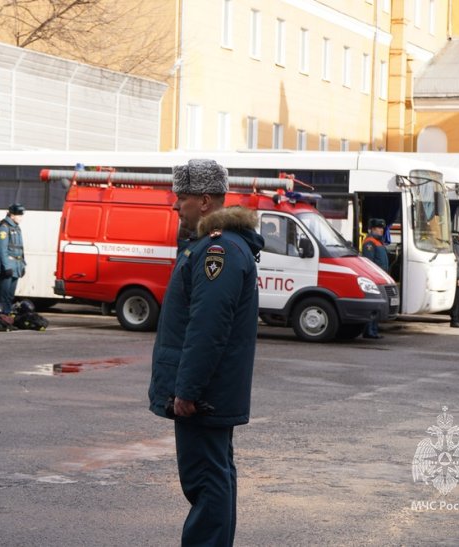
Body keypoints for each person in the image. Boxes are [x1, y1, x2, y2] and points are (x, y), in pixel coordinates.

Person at [148, 159, 264, 547]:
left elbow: (208, 327)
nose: (175, 206)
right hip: (210, 393)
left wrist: (188, 390)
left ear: (203, 200)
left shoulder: (219, 250)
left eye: (180, 198)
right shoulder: (216, 246)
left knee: (206, 481)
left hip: (204, 396)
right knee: (214, 477)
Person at [361, 218, 389, 339]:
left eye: (382, 228)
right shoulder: (370, 242)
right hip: (374, 278)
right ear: (372, 229)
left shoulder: (378, 242)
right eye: (378, 228)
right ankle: (369, 331)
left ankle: (374, 329)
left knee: (377, 307)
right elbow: (369, 263)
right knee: (373, 307)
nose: (381, 230)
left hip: (381, 278)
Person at [0, 203, 26, 313]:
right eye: (19, 215)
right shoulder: (4, 228)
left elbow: (21, 249)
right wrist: (6, 266)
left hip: (16, 266)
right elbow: (2, 249)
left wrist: (22, 265)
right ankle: (1, 316)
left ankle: (7, 316)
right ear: (12, 215)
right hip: (8, 266)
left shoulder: (16, 228)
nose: (21, 218)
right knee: (3, 295)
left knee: (10, 296)